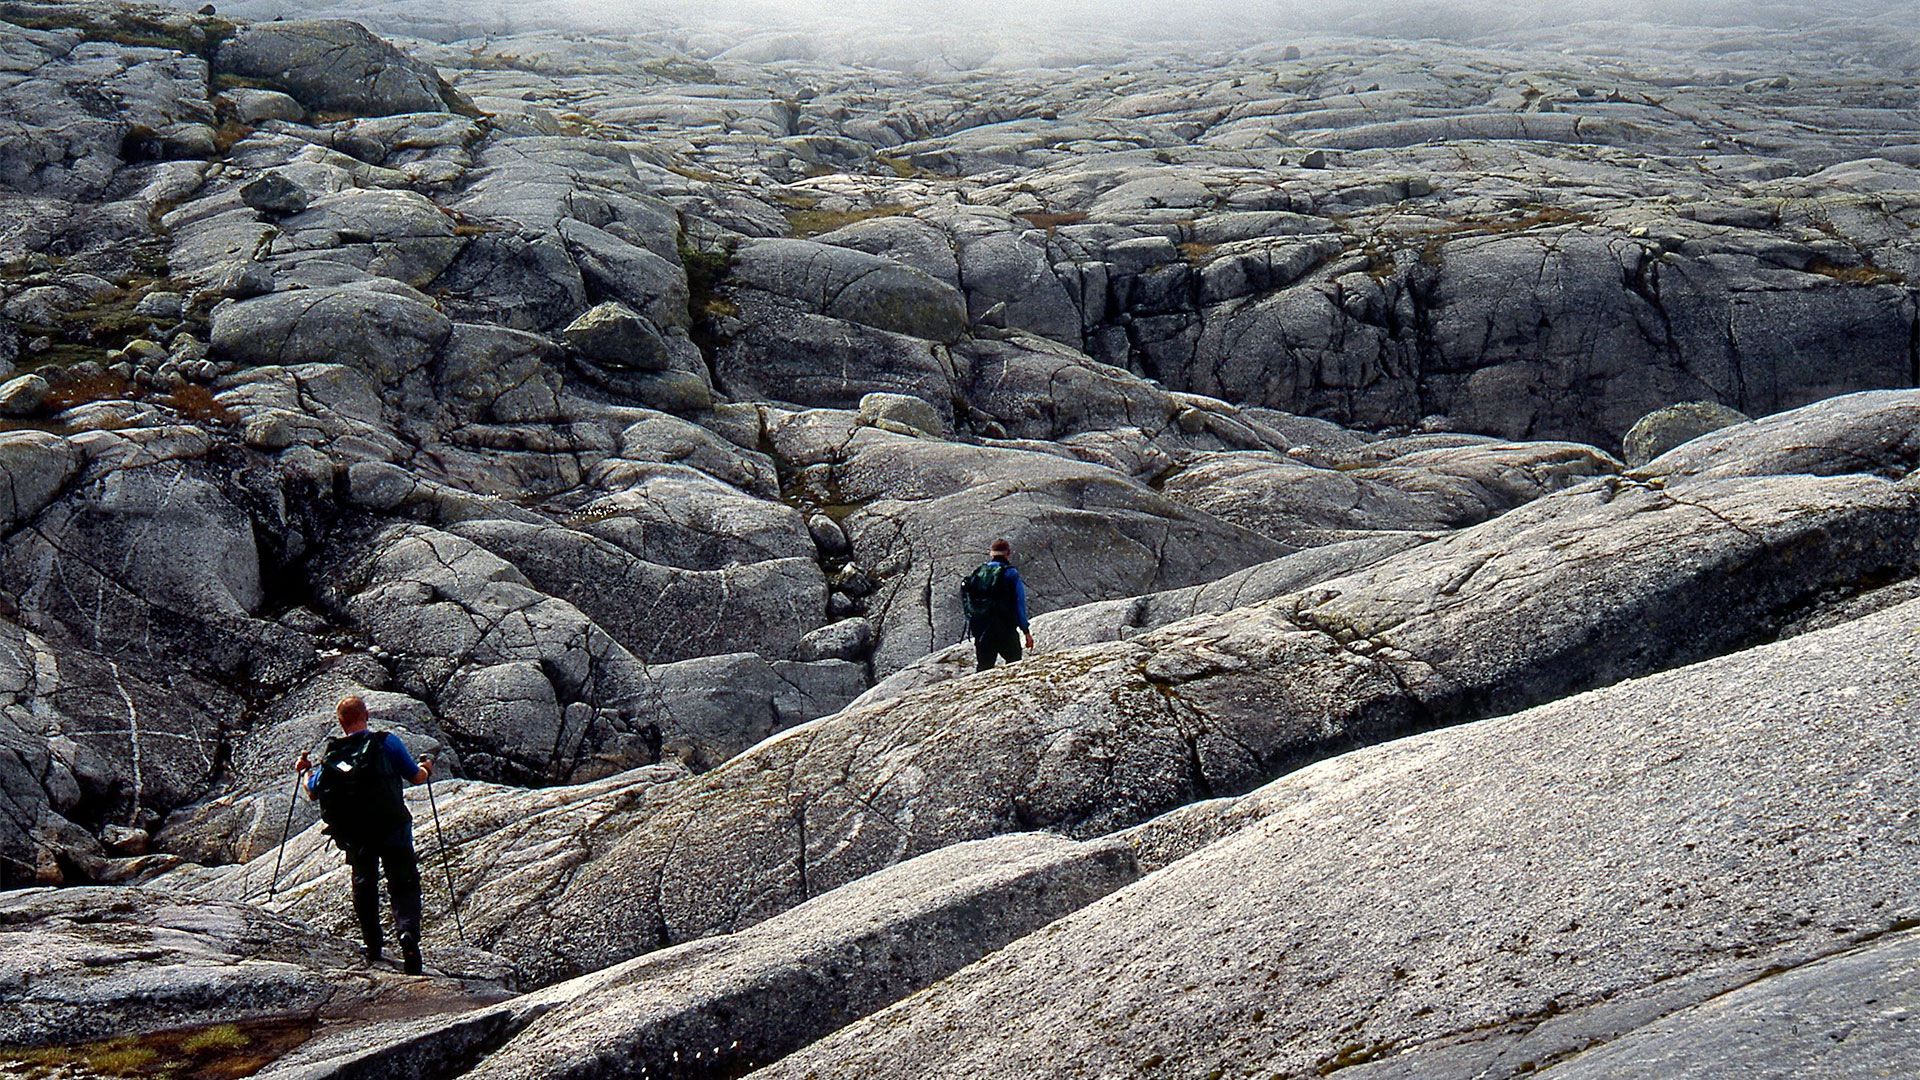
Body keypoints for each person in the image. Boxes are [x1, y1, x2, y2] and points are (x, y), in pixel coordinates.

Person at [295, 695, 433, 974]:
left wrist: (305, 770)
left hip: (356, 834)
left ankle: (373, 944)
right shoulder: (386, 742)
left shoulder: (334, 752)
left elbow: (313, 790)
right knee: (403, 882)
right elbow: (416, 777)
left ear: (341, 722)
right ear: (366, 715)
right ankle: (407, 934)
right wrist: (427, 767)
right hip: (393, 826)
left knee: (364, 883)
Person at [962, 538, 1034, 672]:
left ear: (991, 554)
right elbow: (1019, 603)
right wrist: (1026, 632)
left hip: (982, 628)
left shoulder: (979, 573)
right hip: (1004, 628)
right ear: (1008, 553)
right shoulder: (1010, 573)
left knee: (984, 668)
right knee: (1014, 664)